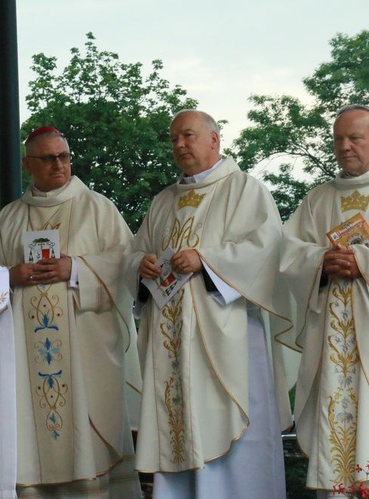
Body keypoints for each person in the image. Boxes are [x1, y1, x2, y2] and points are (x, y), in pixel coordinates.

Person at [123, 110, 292, 498]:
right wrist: (140, 264)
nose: (179, 145)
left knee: (230, 432)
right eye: (174, 139)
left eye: (188, 136)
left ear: (215, 140)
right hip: (172, 344)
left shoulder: (244, 189)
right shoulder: (164, 201)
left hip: (226, 338)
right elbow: (133, 253)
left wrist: (207, 260)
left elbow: (266, 248)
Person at [0, 126, 142, 497]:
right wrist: (9, 276)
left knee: (89, 437)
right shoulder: (11, 218)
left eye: (63, 157)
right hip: (25, 356)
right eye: (48, 158)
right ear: (28, 164)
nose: (59, 165)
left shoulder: (97, 207)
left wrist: (78, 269)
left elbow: (126, 262)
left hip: (86, 351)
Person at [279, 104, 369, 497]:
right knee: (336, 442)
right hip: (332, 341)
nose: (344, 147)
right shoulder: (318, 199)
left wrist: (365, 263)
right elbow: (289, 252)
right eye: (338, 139)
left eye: (355, 138)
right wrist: (318, 261)